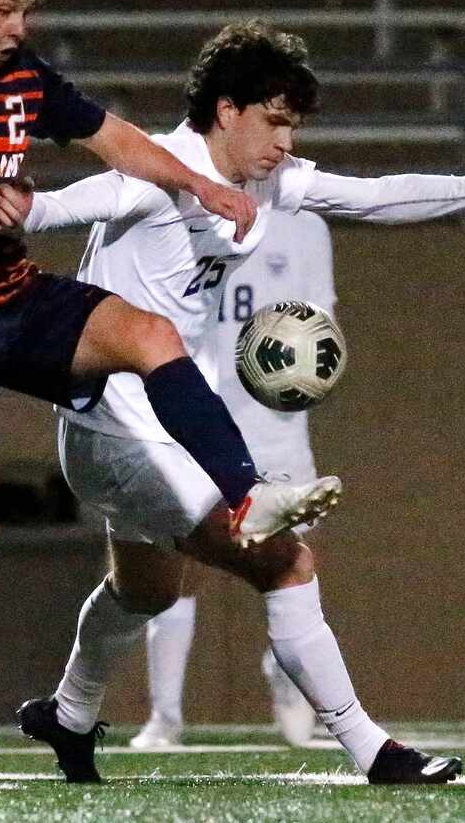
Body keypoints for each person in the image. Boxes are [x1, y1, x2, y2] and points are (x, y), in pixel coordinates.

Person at [0, 21, 465, 784]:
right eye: (275, 120)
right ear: (226, 109)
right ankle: (373, 749)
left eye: (293, 124)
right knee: (285, 561)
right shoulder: (154, 173)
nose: (284, 140)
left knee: (145, 590)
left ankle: (67, 717)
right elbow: (58, 207)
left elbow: (372, 199)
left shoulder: (264, 179)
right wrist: (10, 206)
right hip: (120, 427)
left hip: (143, 428)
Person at [0, 0, 341, 785]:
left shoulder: (27, 80)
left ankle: (250, 493)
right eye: (4, 10)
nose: (17, 27)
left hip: (9, 296)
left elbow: (119, 140)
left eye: (25, 11)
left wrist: (198, 184)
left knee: (148, 332)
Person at [130, 208, 334, 750]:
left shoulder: (307, 228)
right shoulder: (188, 212)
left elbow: (319, 329)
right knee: (186, 565)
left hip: (276, 423)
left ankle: (285, 672)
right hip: (201, 414)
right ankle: (166, 715)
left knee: (290, 559)